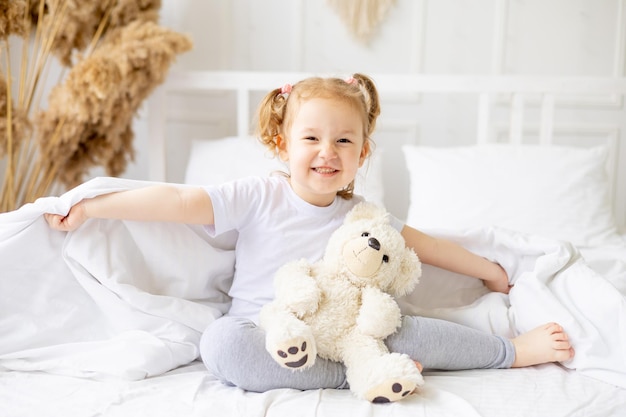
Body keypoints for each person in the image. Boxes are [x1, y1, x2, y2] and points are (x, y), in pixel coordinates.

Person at [45, 73, 574, 394]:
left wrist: (489, 270)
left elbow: (425, 246)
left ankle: (512, 352)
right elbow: (180, 201)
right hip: (267, 333)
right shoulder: (257, 194)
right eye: (312, 137)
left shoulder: (364, 214)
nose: (328, 151)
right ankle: (361, 375)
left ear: (362, 154)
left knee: (411, 328)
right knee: (220, 346)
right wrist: (94, 205)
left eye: (345, 140)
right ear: (282, 144)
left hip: (349, 333)